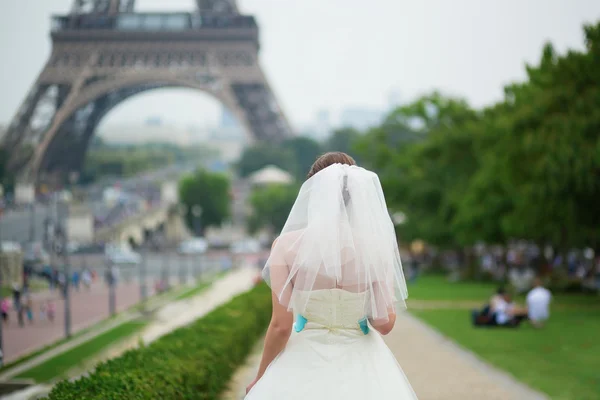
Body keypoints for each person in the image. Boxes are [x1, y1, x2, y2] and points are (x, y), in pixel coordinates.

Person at [245, 152, 417, 399]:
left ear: (313, 192)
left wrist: (260, 378)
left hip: (303, 358)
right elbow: (385, 323)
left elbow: (281, 326)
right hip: (361, 359)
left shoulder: (285, 246)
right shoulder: (375, 248)